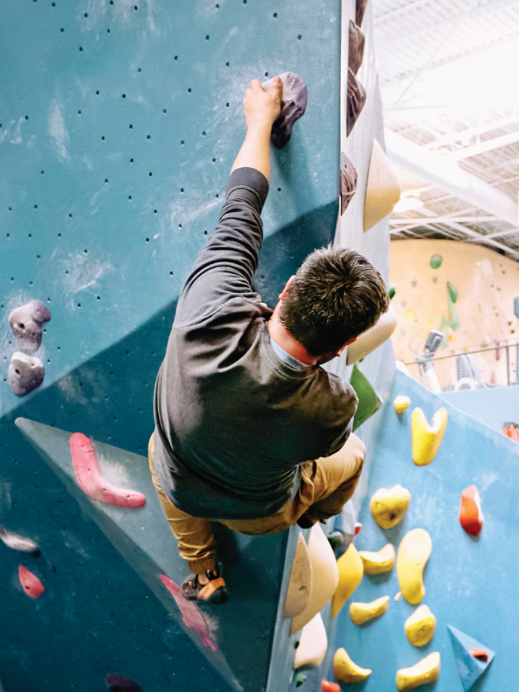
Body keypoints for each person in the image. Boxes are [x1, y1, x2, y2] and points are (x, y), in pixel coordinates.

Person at [149, 76, 389, 605]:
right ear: (341, 346)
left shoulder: (209, 309)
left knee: (165, 461)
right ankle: (312, 517)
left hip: (178, 476)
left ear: (284, 290)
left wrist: (261, 118)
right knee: (352, 456)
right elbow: (314, 447)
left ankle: (205, 570)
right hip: (260, 516)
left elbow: (242, 202)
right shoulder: (332, 408)